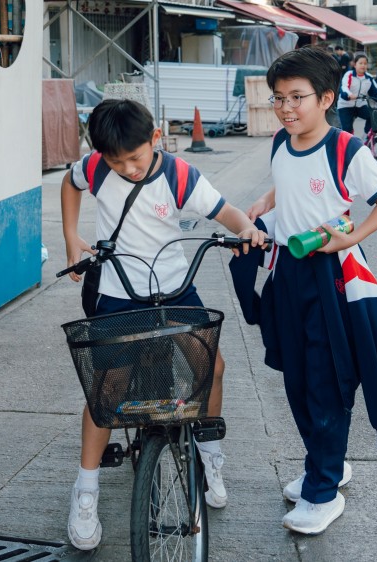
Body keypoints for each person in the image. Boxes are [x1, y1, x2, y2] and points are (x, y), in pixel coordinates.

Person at [60, 98, 265, 550]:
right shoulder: (95, 167)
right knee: (107, 389)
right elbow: (68, 183)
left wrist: (246, 227)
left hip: (174, 289)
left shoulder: (178, 175)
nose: (128, 169)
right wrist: (71, 239)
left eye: (134, 158)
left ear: (156, 140)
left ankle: (209, 454)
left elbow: (224, 211)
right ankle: (86, 489)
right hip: (117, 293)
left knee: (211, 366)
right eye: (117, 162)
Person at [243, 45, 377, 535]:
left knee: (326, 379)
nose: (287, 108)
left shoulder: (345, 149)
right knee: (295, 376)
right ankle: (324, 463)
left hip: (330, 278)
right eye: (278, 98)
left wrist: (350, 237)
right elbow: (285, 180)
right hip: (287, 274)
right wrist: (265, 202)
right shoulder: (280, 141)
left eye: (297, 97)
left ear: (327, 98)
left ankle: (323, 488)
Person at [337, 53, 377, 137]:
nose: (363, 65)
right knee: (347, 130)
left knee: (373, 116)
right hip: (345, 105)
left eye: (365, 63)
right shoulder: (349, 75)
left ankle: (366, 136)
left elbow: (376, 92)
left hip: (360, 105)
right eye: (360, 63)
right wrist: (349, 95)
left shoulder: (369, 77)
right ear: (355, 65)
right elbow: (344, 88)